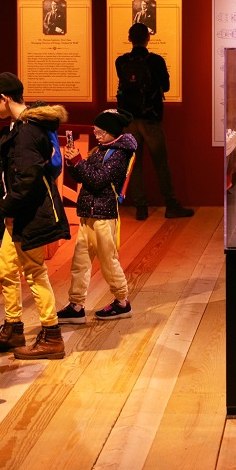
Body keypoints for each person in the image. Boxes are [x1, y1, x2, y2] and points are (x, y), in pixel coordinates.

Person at [0, 72, 70, 360]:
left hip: (27, 214)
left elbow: (28, 177)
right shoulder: (18, 127)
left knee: (34, 272)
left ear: (5, 98)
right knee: (6, 267)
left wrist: (7, 207)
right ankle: (13, 328)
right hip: (16, 214)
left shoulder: (27, 131)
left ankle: (52, 336)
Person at [56, 108, 137, 323]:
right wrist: (72, 163)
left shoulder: (119, 154)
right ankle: (76, 305)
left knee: (108, 261)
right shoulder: (101, 150)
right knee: (80, 262)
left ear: (113, 131)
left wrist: (79, 162)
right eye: (95, 131)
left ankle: (122, 302)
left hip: (104, 215)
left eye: (101, 132)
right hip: (88, 213)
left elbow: (98, 180)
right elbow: (83, 177)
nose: (97, 136)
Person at [115, 22, 194, 221]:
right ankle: (171, 205)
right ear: (148, 38)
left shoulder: (120, 61)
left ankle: (141, 208)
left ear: (129, 38)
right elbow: (165, 87)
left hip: (129, 120)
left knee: (135, 164)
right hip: (150, 119)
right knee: (161, 163)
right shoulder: (156, 61)